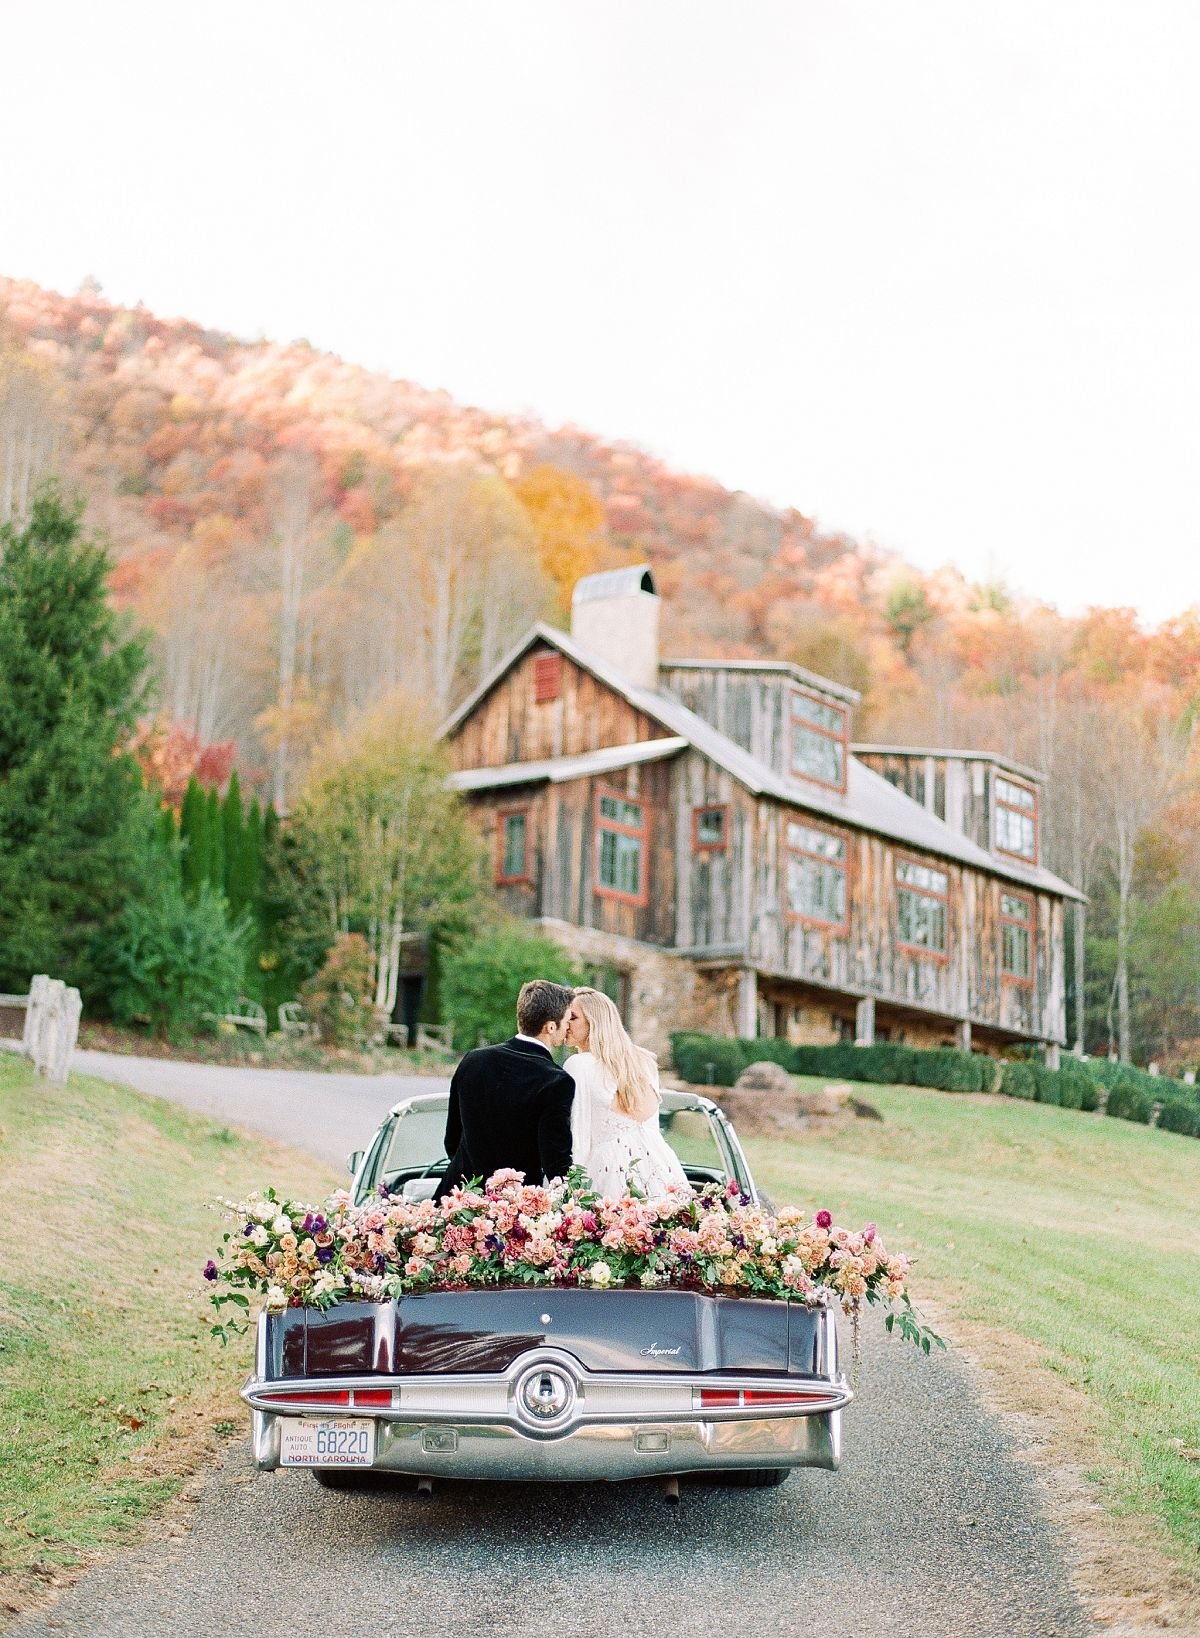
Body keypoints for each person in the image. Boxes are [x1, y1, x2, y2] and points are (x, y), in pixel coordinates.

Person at [434, 979, 576, 1200]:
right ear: (550, 1026)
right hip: (515, 1208)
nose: (568, 1027)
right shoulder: (556, 1081)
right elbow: (555, 1161)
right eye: (567, 1020)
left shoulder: (473, 1060)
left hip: (458, 1198)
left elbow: (452, 1139)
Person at [564, 987, 690, 1199]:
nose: (565, 1024)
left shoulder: (579, 1065)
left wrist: (568, 1188)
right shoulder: (642, 1061)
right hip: (659, 1167)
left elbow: (578, 1134)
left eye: (573, 1018)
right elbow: (651, 1126)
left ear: (595, 1022)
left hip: (605, 1170)